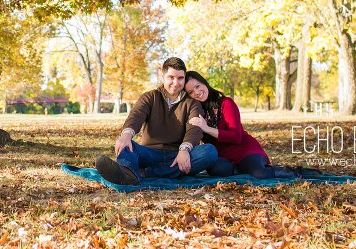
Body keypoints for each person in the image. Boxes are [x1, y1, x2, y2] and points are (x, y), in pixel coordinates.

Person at [94, 57, 222, 185]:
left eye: (180, 78)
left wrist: (184, 149)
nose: (176, 82)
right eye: (171, 77)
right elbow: (137, 114)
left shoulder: (192, 103)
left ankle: (141, 173)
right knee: (127, 145)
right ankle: (127, 172)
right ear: (163, 76)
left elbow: (194, 129)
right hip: (149, 153)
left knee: (209, 152)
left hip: (177, 155)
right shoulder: (150, 97)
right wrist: (126, 135)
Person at [184, 70, 279, 179]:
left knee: (259, 174)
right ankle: (242, 170)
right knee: (216, 170)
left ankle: (288, 171)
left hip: (244, 151)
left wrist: (206, 128)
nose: (196, 92)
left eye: (197, 86)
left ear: (204, 83)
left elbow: (236, 137)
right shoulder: (196, 111)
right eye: (191, 92)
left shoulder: (226, 103)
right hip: (223, 158)